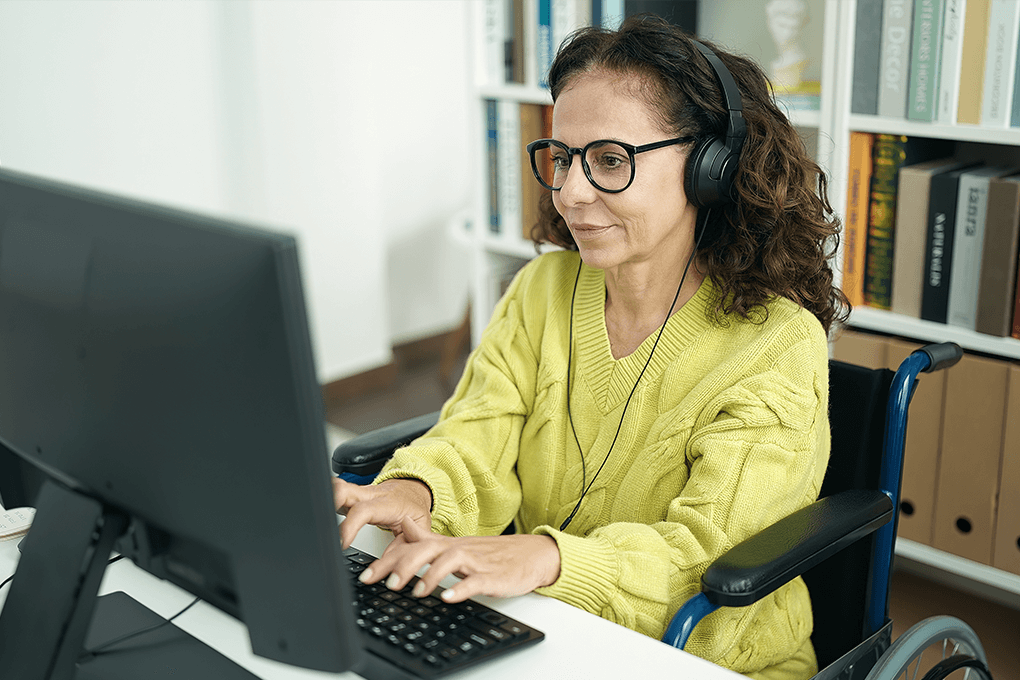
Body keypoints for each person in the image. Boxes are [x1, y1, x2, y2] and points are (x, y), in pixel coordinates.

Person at [333, 14, 849, 680]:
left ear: (711, 168)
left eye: (610, 160)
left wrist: (546, 559)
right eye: (563, 158)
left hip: (709, 659)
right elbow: (478, 434)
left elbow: (709, 556)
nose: (571, 193)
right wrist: (418, 489)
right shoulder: (542, 289)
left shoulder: (775, 343)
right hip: (551, 626)